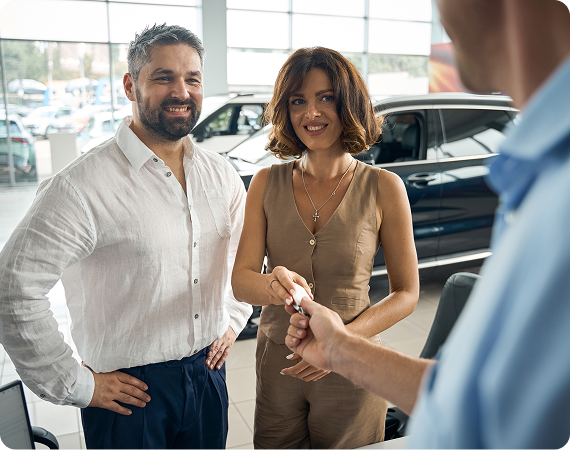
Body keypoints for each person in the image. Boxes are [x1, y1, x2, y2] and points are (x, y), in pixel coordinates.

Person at [285, 1, 570, 448]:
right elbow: (486, 401)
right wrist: (340, 348)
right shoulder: (537, 170)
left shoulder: (559, 187)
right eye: (299, 100)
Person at [0, 24, 252, 450]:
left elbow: (240, 255)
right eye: (163, 77)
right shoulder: (82, 186)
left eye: (192, 78)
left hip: (208, 374)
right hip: (129, 394)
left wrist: (232, 317)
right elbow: (13, 288)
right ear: (130, 85)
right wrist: (78, 385)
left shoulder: (220, 174)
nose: (181, 91)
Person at [231, 47, 419, 449]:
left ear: (348, 104)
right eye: (298, 101)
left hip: (354, 368)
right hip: (279, 364)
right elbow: (241, 281)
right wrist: (273, 284)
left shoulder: (384, 187)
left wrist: (342, 343)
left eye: (325, 98)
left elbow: (407, 293)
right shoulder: (265, 183)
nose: (310, 113)